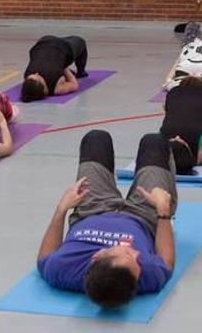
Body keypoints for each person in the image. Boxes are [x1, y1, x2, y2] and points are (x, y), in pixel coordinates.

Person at [37, 130, 176, 308]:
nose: (136, 253)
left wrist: (61, 209)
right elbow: (166, 261)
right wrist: (163, 211)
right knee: (154, 142)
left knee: (96, 138)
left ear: (97, 256)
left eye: (126, 253)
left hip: (92, 209)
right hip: (143, 216)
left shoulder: (62, 269)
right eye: (136, 260)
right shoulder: (145, 275)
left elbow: (44, 256)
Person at [21, 36, 88, 102]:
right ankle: (81, 71)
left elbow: (74, 85)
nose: (37, 73)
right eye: (38, 77)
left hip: (45, 44)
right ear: (44, 88)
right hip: (53, 44)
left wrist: (64, 68)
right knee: (80, 41)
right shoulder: (56, 88)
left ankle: (80, 71)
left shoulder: (28, 77)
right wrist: (64, 68)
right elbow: (74, 85)